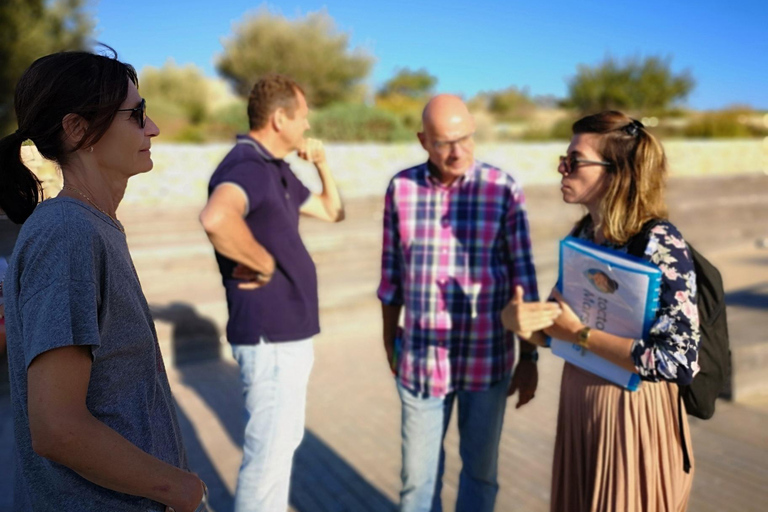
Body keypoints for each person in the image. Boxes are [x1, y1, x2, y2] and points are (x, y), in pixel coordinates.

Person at [0, 51, 208, 512]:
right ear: (78, 130)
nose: (152, 128)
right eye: (136, 115)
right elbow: (58, 427)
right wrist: (181, 489)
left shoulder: (88, 227)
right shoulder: (67, 234)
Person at [503, 111, 700, 512]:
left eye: (574, 160)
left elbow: (678, 359)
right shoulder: (583, 235)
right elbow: (559, 325)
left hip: (631, 415)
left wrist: (581, 335)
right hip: (581, 407)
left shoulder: (659, 241)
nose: (562, 167)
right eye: (565, 157)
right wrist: (522, 324)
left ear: (616, 172)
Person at [377, 94, 544, 512]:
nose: (457, 152)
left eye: (465, 138)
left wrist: (529, 359)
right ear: (422, 141)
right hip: (420, 363)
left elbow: (524, 279)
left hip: (486, 361)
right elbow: (391, 278)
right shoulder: (401, 189)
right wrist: (388, 343)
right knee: (416, 485)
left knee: (481, 475)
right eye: (443, 142)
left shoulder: (502, 189)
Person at [199, 73, 344, 512]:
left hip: (286, 336)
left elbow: (332, 211)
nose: (307, 127)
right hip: (271, 338)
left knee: (278, 453)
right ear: (280, 118)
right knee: (268, 461)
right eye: (303, 118)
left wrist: (320, 163)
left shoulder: (275, 168)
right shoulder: (247, 166)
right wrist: (263, 262)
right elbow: (216, 218)